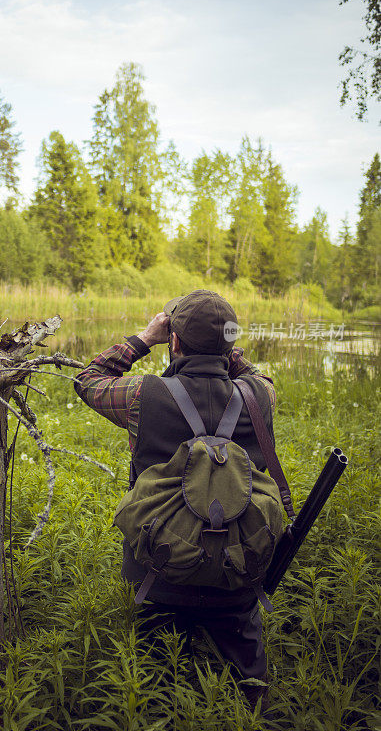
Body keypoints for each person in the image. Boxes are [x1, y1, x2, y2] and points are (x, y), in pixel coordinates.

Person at [73, 289, 276, 708]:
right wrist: (226, 348)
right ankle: (251, 701)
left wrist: (145, 338)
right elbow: (254, 373)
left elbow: (88, 379)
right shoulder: (260, 395)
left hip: (157, 575)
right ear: (230, 344)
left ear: (175, 342)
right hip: (238, 574)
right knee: (248, 691)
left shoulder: (142, 396)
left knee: (151, 684)